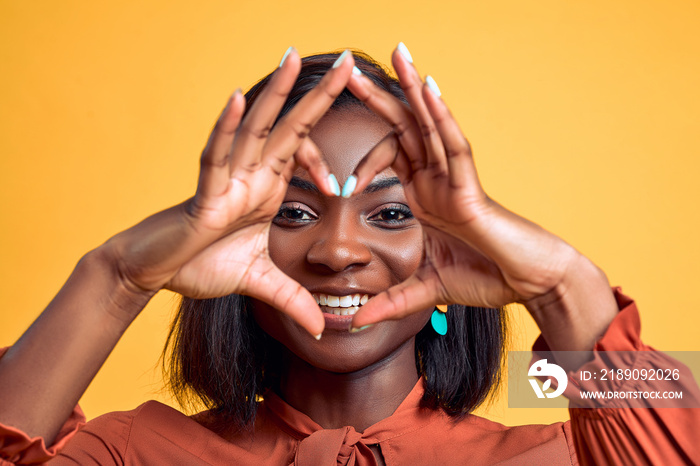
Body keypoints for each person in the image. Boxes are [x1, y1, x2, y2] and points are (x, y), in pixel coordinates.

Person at [0, 45, 698, 465]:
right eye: (294, 213)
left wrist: (563, 285)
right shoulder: (136, 451)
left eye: (391, 213)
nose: (337, 250)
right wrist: (117, 276)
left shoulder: (561, 453)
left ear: (451, 246)